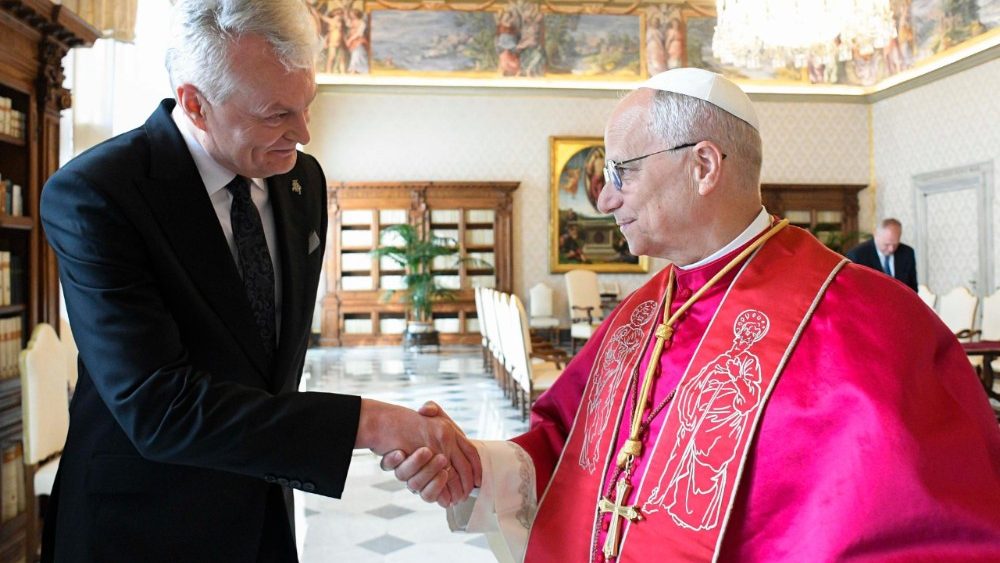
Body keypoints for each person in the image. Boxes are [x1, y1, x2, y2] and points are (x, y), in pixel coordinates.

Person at [385, 68, 1000, 561]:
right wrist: (469, 465)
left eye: (621, 172)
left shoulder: (870, 322)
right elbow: (560, 444)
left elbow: (930, 530)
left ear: (703, 166)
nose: (604, 198)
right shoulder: (638, 314)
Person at [39, 1, 477, 561]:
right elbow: (159, 407)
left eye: (306, 105)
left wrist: (389, 433)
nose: (303, 133)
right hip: (141, 528)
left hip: (264, 519)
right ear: (197, 104)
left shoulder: (302, 183)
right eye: (276, 114)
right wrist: (370, 424)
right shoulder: (99, 194)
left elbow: (266, 369)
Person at [846, 217, 918, 292]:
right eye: (886, 244)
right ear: (875, 235)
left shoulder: (907, 253)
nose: (891, 249)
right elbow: (853, 291)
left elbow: (913, 289)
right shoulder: (857, 255)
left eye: (895, 244)